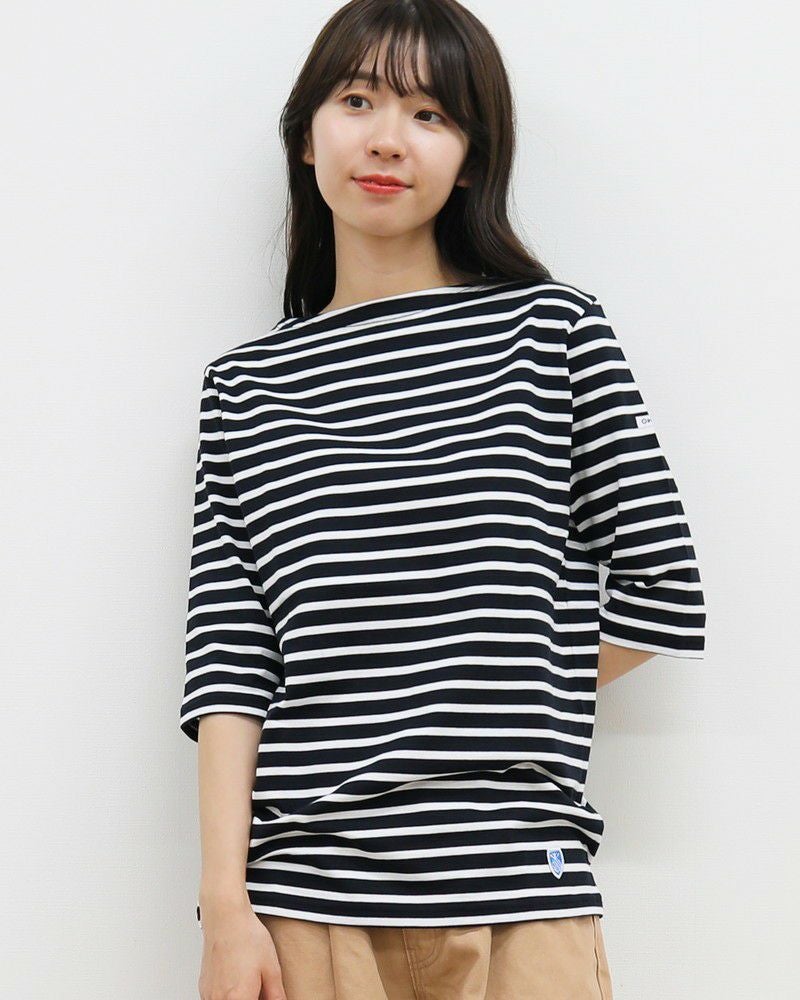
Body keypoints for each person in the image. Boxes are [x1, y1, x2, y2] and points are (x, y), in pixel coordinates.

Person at [179, 1, 706, 997]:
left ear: (470, 159)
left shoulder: (551, 335)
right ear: (306, 137)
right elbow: (230, 664)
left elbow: (662, 594)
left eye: (429, 114)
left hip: (521, 893)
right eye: (356, 100)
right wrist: (225, 908)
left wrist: (479, 701)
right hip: (307, 904)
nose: (387, 138)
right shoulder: (246, 389)